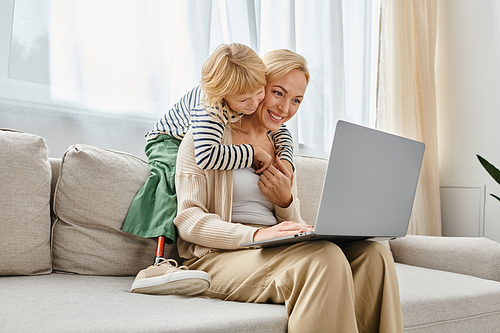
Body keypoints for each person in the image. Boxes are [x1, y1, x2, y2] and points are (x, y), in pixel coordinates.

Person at [173, 49, 404, 332]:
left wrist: (284, 200)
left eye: (296, 100)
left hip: (274, 247)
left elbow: (291, 223)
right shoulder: (207, 137)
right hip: (218, 256)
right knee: (325, 258)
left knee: (374, 255)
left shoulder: (282, 149)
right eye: (278, 93)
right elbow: (188, 220)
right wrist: (255, 234)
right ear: (258, 87)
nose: (286, 108)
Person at [123, 43, 295, 295]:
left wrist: (287, 160)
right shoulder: (209, 109)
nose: (253, 104)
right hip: (169, 139)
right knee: (170, 184)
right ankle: (157, 264)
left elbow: (282, 132)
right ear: (223, 95)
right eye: (244, 100)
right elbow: (207, 156)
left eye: (260, 94)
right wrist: (252, 153)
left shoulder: (248, 98)